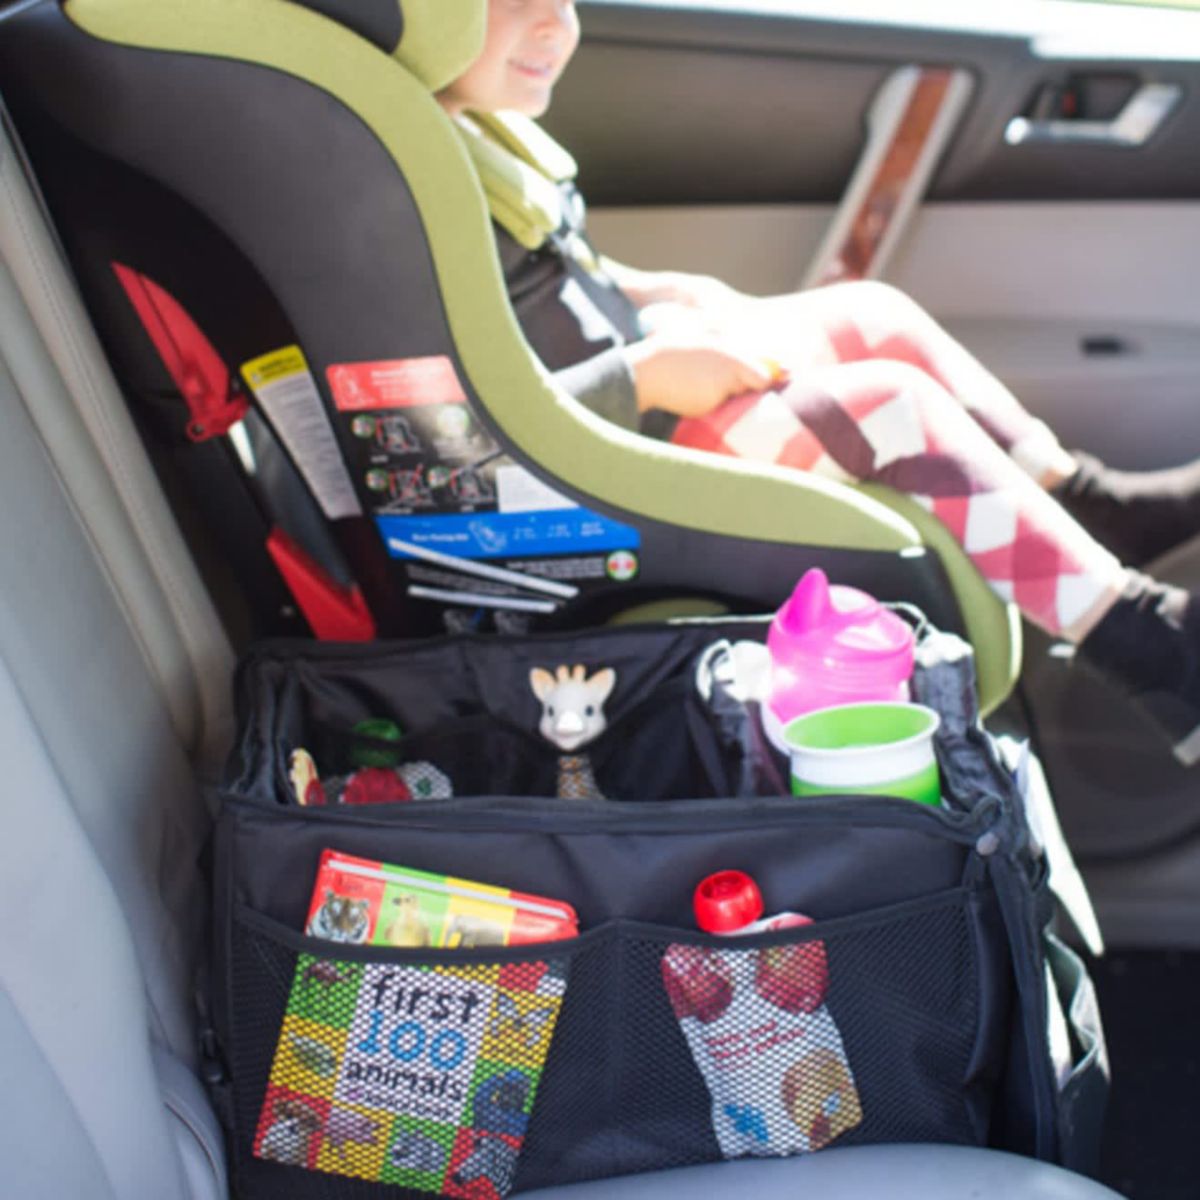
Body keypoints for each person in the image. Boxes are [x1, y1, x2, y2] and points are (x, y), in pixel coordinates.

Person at [436, 0, 1200, 761]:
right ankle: (1144, 643)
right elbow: (459, 419)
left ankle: (1085, 505)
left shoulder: (476, 132)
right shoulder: (414, 182)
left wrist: (650, 292)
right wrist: (640, 378)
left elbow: (552, 281)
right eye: (510, 0)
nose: (554, 23)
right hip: (588, 466)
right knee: (890, 412)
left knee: (872, 316)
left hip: (622, 408)